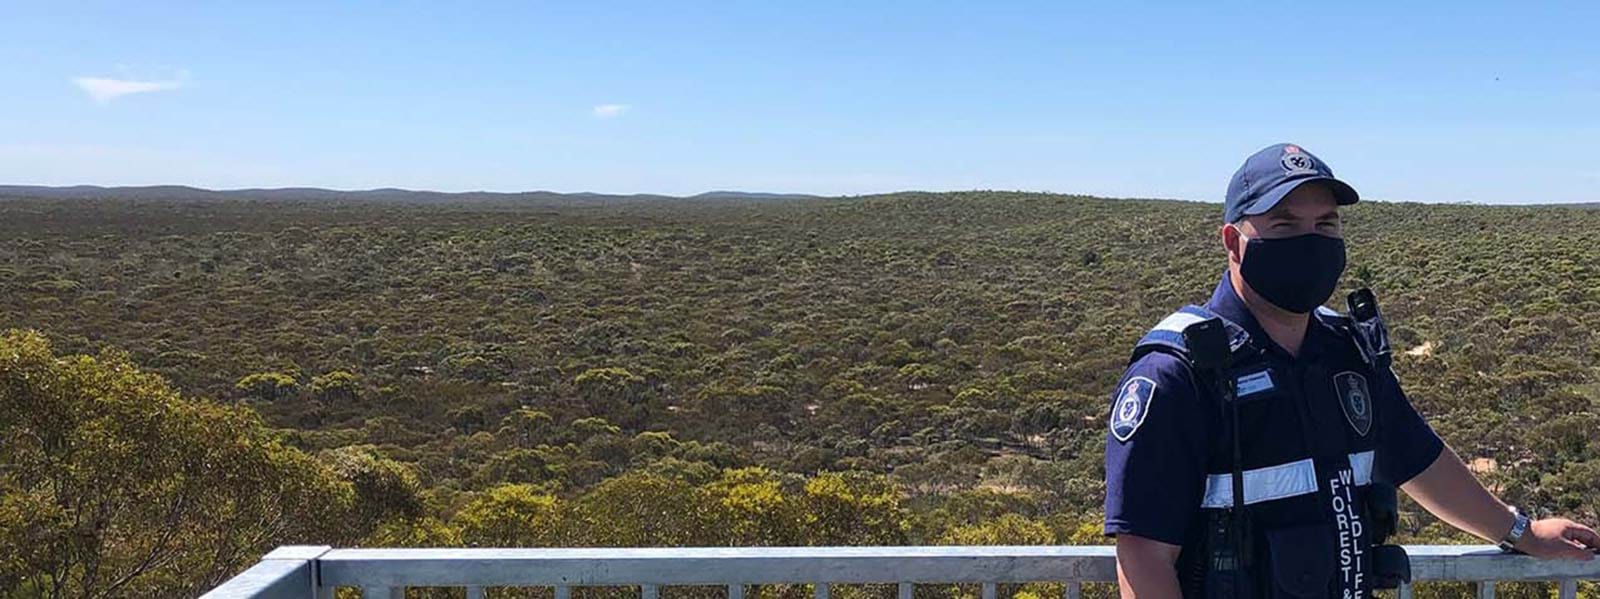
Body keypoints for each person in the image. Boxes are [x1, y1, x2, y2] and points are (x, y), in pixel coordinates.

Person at [1102, 143, 1600, 598]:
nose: (1310, 240)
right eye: (1284, 225)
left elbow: (1417, 458)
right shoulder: (1179, 372)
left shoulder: (1349, 352)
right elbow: (1144, 556)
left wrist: (1520, 531)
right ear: (1234, 242)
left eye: (1326, 224)